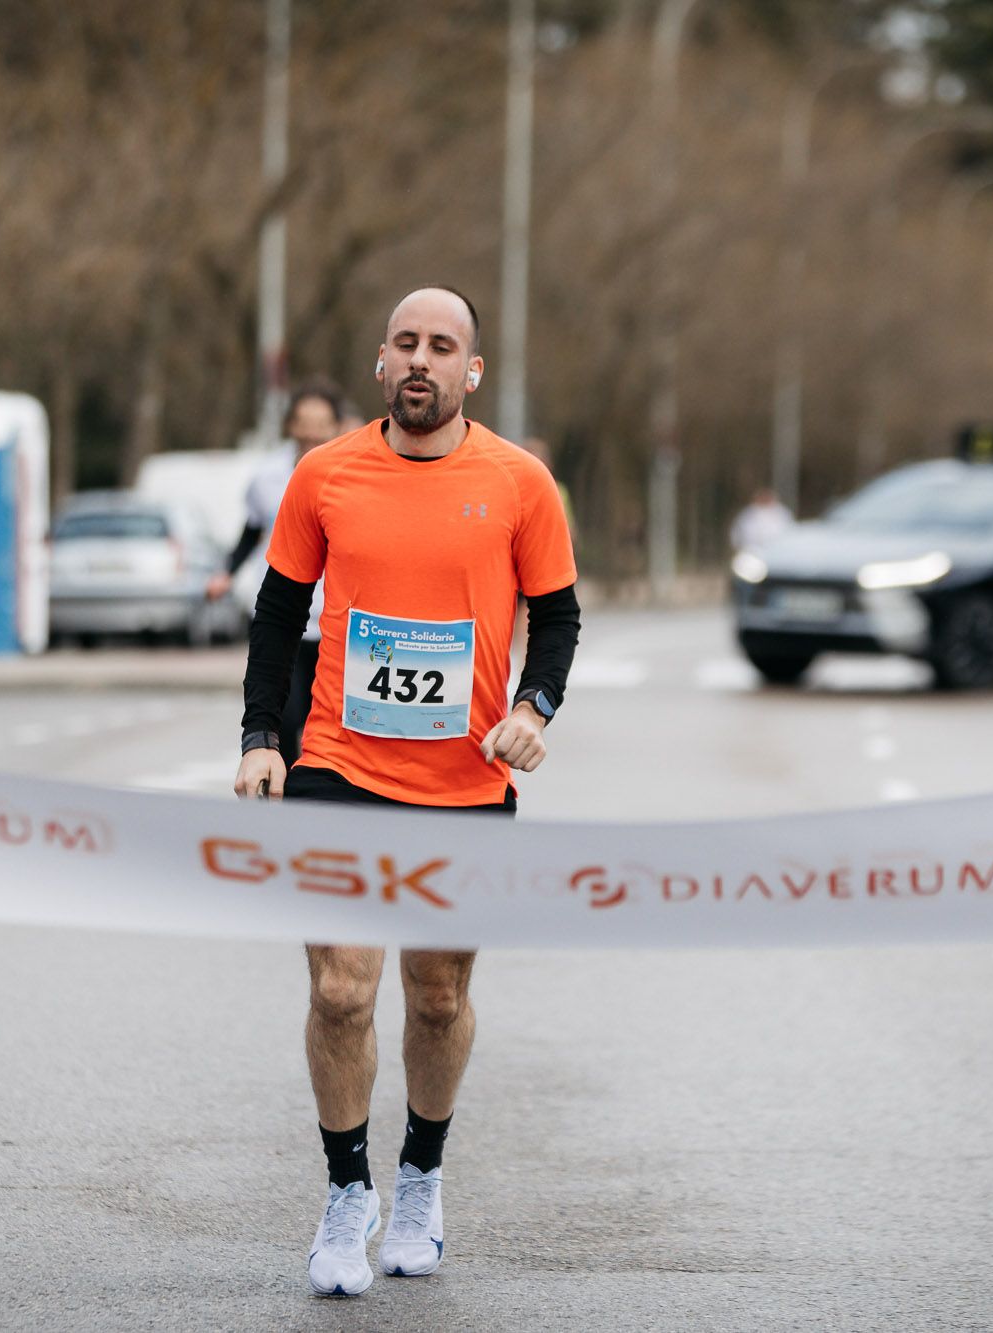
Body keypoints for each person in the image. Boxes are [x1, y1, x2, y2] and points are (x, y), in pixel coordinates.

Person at [234, 286, 580, 1298]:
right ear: (381, 362)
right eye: (405, 342)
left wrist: (534, 709)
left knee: (436, 995)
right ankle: (347, 1194)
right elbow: (275, 612)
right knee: (341, 990)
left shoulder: (519, 483)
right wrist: (262, 738)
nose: (421, 358)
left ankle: (420, 1174)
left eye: (443, 345)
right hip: (338, 765)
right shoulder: (324, 473)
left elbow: (556, 621)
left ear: (472, 372)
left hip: (463, 780)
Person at [205, 384, 344, 764]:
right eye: (304, 421)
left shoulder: (352, 474)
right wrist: (227, 573)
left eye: (322, 423)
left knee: (333, 725)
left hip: (339, 624)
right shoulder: (266, 477)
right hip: (287, 618)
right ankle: (289, 804)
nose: (312, 431)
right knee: (286, 720)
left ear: (337, 426)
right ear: (290, 426)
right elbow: (251, 531)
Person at [730, 485, 793, 553]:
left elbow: (790, 531)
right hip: (751, 551)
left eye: (766, 497)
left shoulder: (782, 513)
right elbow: (737, 531)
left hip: (778, 551)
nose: (764, 499)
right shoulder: (747, 514)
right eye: (762, 497)